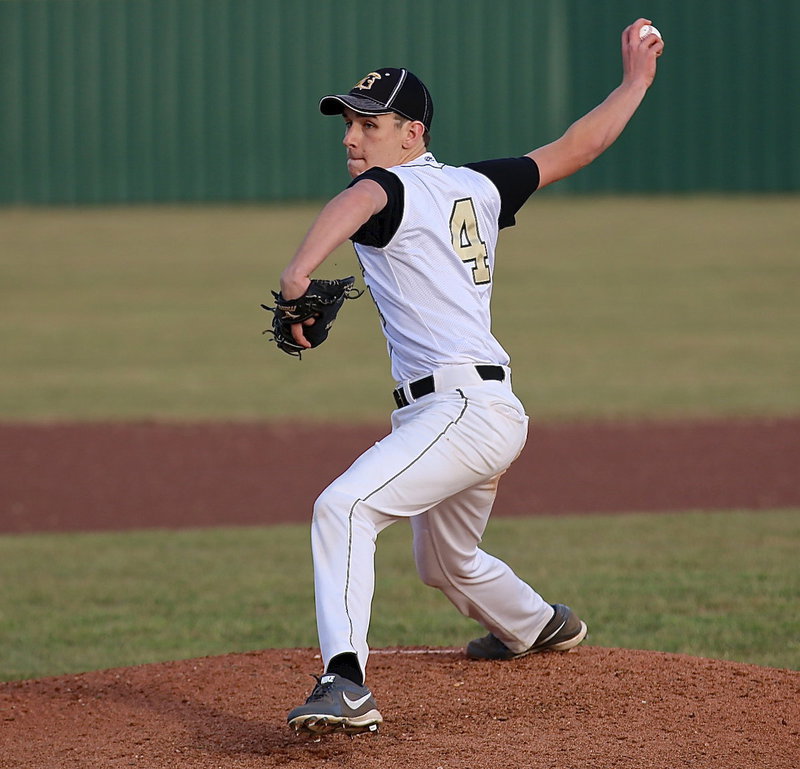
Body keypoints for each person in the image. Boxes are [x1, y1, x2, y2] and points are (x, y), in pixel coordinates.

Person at [280, 19, 664, 735]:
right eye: (349, 123)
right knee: (445, 562)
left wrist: (299, 270)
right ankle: (537, 623)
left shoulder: (389, 188)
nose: (352, 138)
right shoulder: (478, 184)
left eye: (369, 124)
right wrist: (635, 82)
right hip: (478, 409)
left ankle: (345, 681)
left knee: (344, 507)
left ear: (412, 134)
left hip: (459, 410)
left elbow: (358, 202)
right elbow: (578, 146)